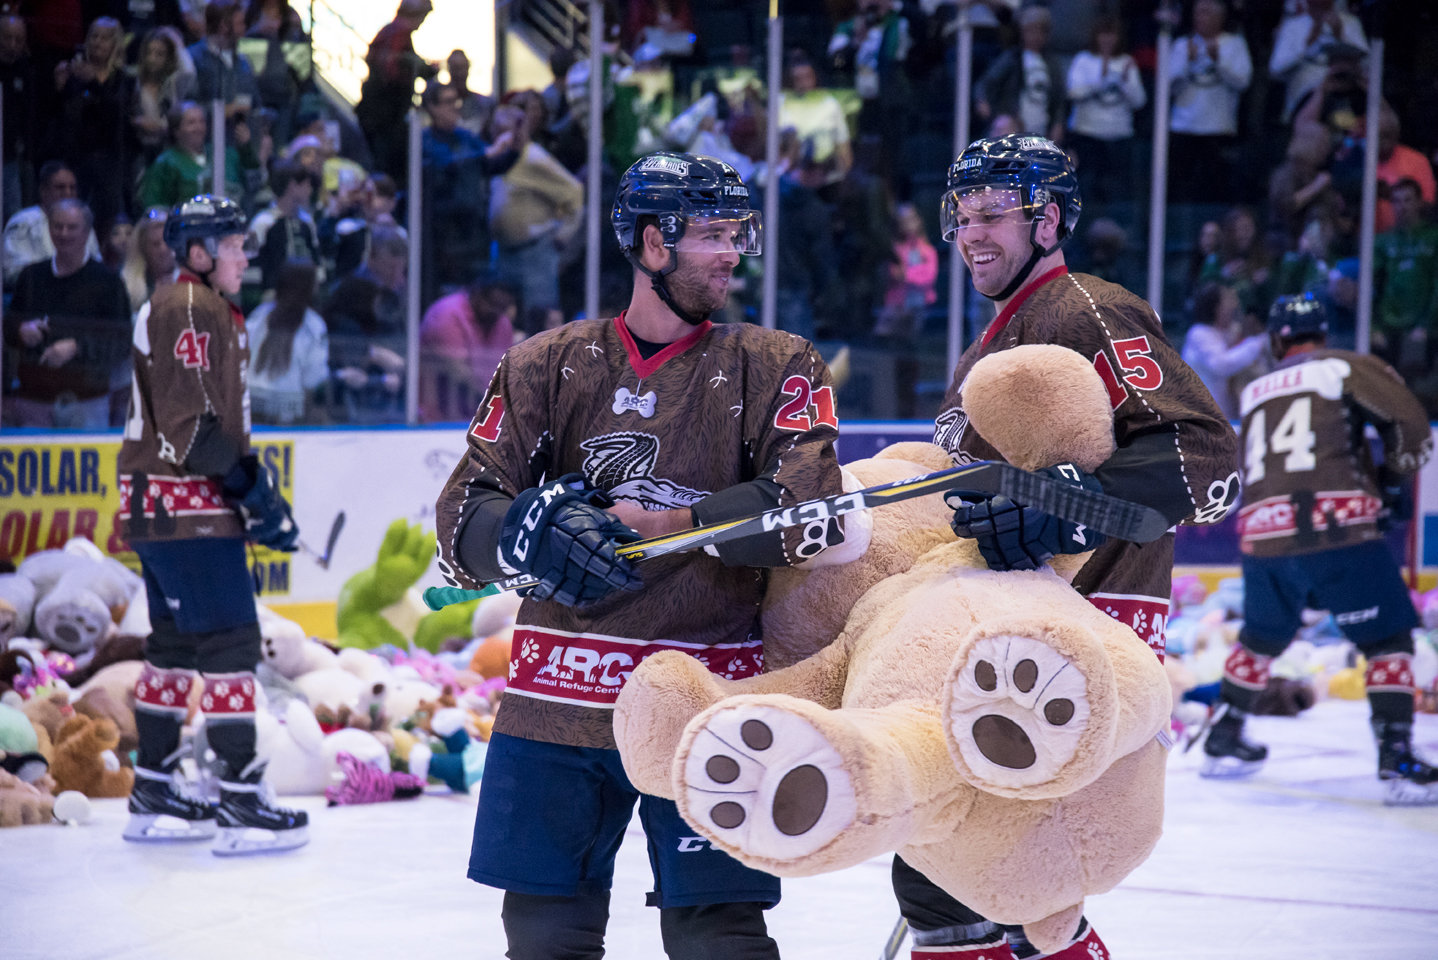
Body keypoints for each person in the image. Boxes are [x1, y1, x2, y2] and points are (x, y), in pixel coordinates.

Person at [433, 152, 846, 960]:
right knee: (544, 936)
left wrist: (674, 522)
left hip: (707, 703)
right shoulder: (545, 363)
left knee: (719, 937)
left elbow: (811, 512)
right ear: (654, 244)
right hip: (559, 697)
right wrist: (526, 529)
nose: (735, 252)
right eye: (715, 235)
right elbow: (461, 515)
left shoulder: (775, 366)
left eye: (739, 232)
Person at [919, 134, 1239, 959]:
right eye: (961, 216)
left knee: (963, 882)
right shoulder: (983, 347)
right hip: (1003, 639)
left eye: (992, 213)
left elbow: (1203, 457)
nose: (971, 233)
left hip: (1080, 637)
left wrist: (1062, 507)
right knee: (1005, 894)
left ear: (1050, 218)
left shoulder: (1084, 308)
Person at [116, 194, 308, 854]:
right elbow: (191, 426)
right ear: (197, 253)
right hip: (183, 504)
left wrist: (257, 493)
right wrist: (250, 489)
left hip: (163, 506)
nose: (243, 256)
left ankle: (153, 786)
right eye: (231, 246)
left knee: (172, 644)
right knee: (229, 642)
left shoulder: (201, 306)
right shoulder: (189, 306)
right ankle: (241, 798)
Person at [1200, 293, 1437, 806]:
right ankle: (1396, 757)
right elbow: (1411, 423)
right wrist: (1393, 484)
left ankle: (1223, 735)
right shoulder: (1341, 367)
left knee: (1261, 636)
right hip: (1336, 529)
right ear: (1322, 334)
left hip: (1263, 534)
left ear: (1276, 340)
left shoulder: (1257, 390)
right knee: (1388, 639)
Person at [3, 199, 133, 429]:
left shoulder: (108, 281)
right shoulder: (31, 276)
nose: (63, 234)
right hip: (34, 400)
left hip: (88, 400)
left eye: (71, 227)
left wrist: (77, 347)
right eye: (57, 226)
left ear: (86, 232)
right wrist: (22, 331)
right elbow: (9, 327)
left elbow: (121, 341)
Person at [418, 275, 515, 423]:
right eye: (492, 304)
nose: (496, 312)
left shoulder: (501, 321)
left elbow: (507, 371)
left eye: (502, 307)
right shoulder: (446, 314)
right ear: (476, 295)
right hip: (436, 421)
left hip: (479, 418)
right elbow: (459, 373)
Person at [246, 259, 329, 424]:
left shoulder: (258, 316)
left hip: (252, 409)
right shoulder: (313, 326)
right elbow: (313, 378)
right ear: (310, 286)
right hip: (290, 416)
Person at [3, 161, 101, 286]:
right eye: (60, 187)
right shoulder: (23, 222)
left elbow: (96, 261)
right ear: (43, 190)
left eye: (72, 188)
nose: (68, 193)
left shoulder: (82, 221)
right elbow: (11, 271)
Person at [1181, 282, 1267, 420]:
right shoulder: (1199, 334)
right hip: (1202, 417)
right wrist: (1257, 344)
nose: (1234, 304)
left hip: (1227, 417)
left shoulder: (1230, 332)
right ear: (1215, 307)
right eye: (1228, 300)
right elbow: (1221, 365)